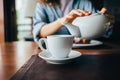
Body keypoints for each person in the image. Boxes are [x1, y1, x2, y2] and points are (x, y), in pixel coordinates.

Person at [33, 0, 114, 44]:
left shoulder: (84, 2)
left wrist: (106, 21)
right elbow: (40, 32)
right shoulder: (42, 4)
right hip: (54, 49)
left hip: (84, 51)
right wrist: (63, 21)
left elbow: (99, 26)